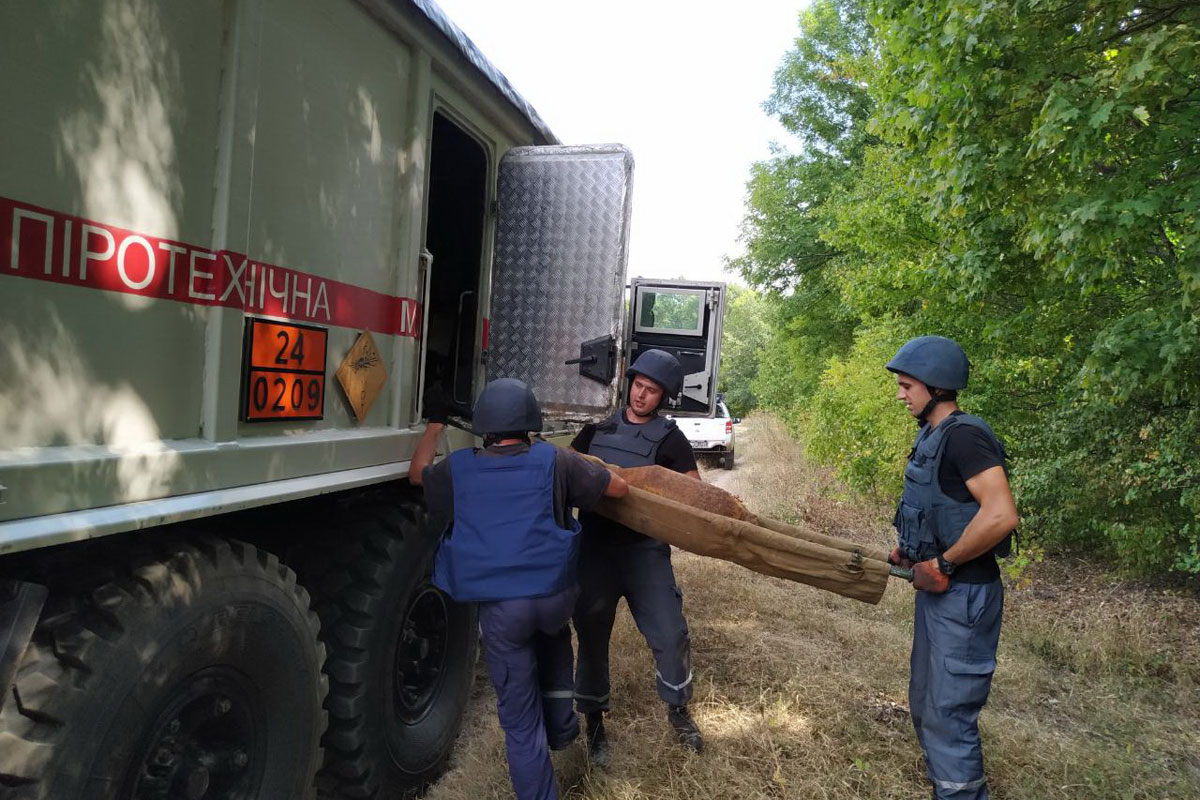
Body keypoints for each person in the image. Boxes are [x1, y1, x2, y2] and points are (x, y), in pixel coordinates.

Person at [409, 378, 628, 800]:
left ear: (483, 427)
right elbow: (617, 489)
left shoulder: (460, 469)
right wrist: (592, 470)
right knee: (554, 639)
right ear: (530, 422)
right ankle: (563, 728)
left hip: (504, 611)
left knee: (520, 724)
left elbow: (416, 475)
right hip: (554, 600)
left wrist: (435, 428)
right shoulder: (556, 460)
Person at [885, 336, 1019, 800]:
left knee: (948, 711)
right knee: (925, 702)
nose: (900, 394)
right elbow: (941, 508)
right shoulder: (932, 433)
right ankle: (946, 785)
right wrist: (913, 552)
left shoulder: (965, 435)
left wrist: (943, 563)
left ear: (937, 387)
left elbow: (1001, 514)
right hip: (941, 595)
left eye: (906, 385)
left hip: (964, 598)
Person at [569, 348, 704, 765]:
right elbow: (568, 472)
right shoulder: (595, 427)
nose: (642, 395)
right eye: (638, 386)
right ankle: (594, 723)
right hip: (595, 550)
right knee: (591, 638)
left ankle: (678, 711)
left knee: (670, 633)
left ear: (663, 397)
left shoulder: (670, 438)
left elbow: (693, 492)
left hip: (644, 551)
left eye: (652, 391)